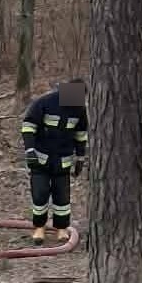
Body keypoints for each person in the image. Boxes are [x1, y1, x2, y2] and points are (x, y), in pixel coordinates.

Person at [21, 78, 88, 245]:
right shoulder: (45, 102)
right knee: (40, 194)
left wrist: (80, 158)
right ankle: (39, 227)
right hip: (40, 160)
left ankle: (61, 228)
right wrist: (30, 150)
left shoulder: (79, 110)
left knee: (62, 198)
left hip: (63, 162)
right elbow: (28, 126)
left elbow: (81, 134)